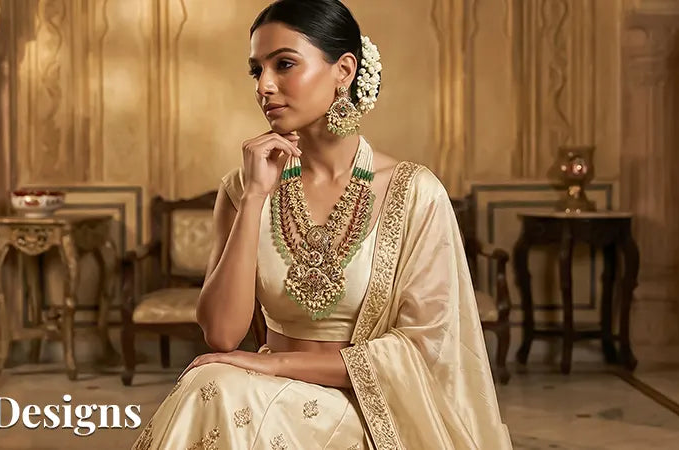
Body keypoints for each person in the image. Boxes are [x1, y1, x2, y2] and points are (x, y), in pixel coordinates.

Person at [133, 0, 512, 448]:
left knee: (219, 388)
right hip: (263, 397)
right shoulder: (243, 188)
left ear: (344, 71)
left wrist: (274, 364)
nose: (264, 86)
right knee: (214, 385)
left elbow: (422, 349)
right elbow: (221, 335)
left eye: (284, 64)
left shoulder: (414, 193)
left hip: (369, 407)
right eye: (256, 70)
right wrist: (254, 198)